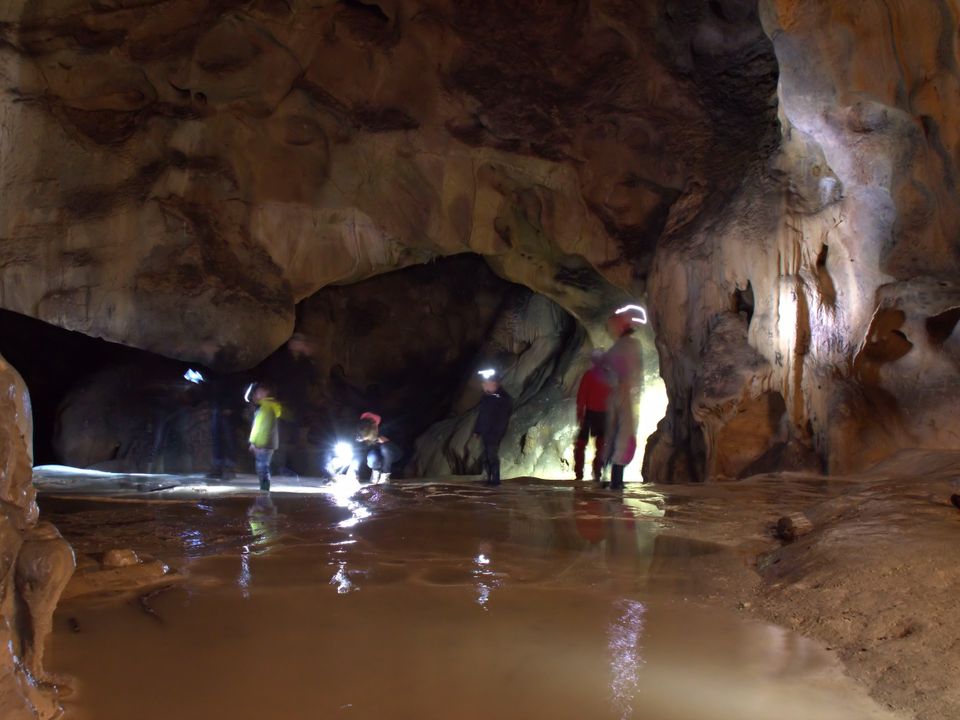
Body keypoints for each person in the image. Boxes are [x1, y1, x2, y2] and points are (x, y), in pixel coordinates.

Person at [603, 305, 645, 491]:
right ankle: (616, 479)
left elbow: (605, 371)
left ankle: (606, 473)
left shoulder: (615, 349)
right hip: (626, 393)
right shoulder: (633, 346)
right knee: (624, 433)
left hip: (614, 393)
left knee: (613, 432)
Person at [574, 349, 611, 483]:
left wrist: (580, 414)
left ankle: (579, 474)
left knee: (581, 444)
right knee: (601, 445)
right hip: (603, 415)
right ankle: (597, 472)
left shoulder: (589, 375)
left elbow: (581, 396)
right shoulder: (608, 376)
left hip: (590, 413)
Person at [472, 370, 513, 487]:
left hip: (495, 432)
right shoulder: (487, 398)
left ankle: (495, 480)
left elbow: (503, 418)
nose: (483, 386)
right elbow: (482, 415)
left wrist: (497, 431)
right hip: (486, 432)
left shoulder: (502, 398)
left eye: (486, 383)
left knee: (492, 455)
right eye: (483, 384)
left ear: (494, 384)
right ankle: (488, 478)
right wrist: (477, 430)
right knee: (486, 457)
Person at [248, 383, 283, 492]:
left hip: (263, 444)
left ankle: (264, 488)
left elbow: (260, 428)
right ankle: (264, 487)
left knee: (262, 466)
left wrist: (254, 443)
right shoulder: (268, 406)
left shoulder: (266, 408)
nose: (256, 395)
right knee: (263, 465)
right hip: (268, 443)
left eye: (258, 392)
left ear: (266, 392)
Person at [356, 412, 400, 484]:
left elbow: (400, 443)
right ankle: (375, 472)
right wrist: (355, 470)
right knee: (372, 456)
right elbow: (358, 452)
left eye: (367, 438)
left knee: (385, 448)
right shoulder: (360, 431)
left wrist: (388, 442)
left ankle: (385, 474)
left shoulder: (385, 426)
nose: (365, 440)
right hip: (377, 455)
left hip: (392, 453)